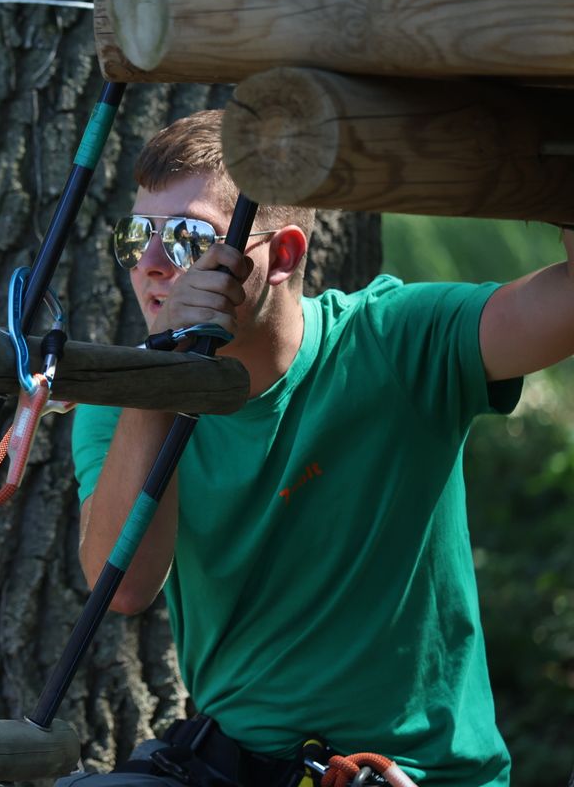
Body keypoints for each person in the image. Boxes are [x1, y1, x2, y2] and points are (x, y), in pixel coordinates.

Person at [71, 109, 574, 786]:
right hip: (232, 768)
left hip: (419, 774)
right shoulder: (130, 403)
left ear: (280, 256)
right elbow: (122, 587)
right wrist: (161, 376)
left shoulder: (394, 341)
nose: (155, 267)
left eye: (189, 239)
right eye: (138, 237)